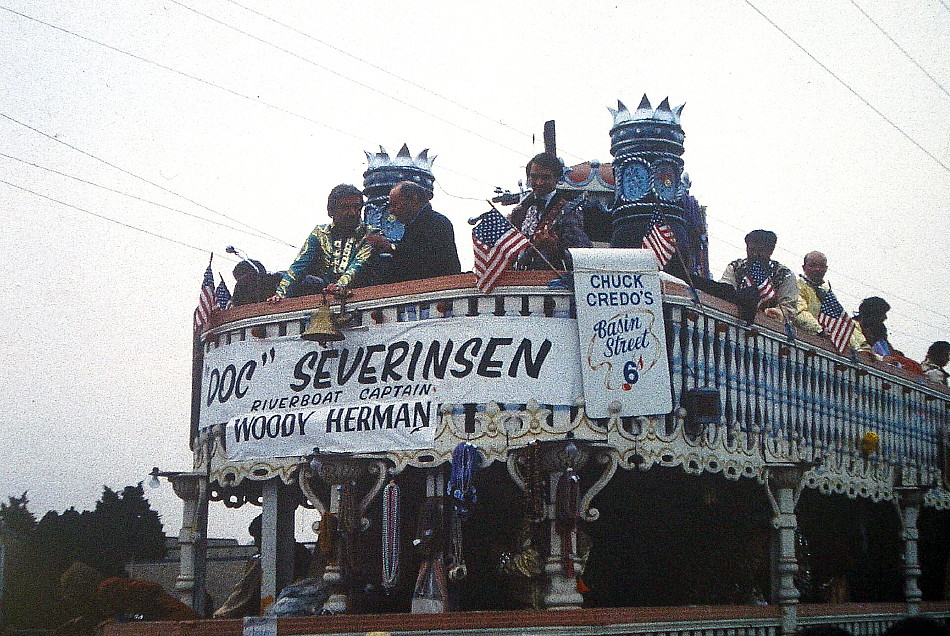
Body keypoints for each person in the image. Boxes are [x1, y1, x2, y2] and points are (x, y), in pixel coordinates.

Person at [267, 184, 373, 303]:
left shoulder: (370, 234)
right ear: (330, 211)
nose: (352, 213)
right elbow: (299, 266)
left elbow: (358, 265)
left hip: (362, 298)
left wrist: (340, 285)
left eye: (357, 207)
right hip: (326, 296)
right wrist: (280, 294)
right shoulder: (320, 233)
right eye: (345, 208)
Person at [508, 152, 592, 270]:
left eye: (545, 177)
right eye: (534, 176)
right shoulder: (520, 211)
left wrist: (554, 248)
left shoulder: (568, 211)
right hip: (521, 280)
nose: (539, 182)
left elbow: (583, 257)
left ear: (557, 178)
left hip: (551, 282)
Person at [365, 181, 461, 283]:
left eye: (395, 204)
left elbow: (426, 262)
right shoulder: (415, 225)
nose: (391, 210)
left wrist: (391, 248)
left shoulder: (436, 223)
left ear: (414, 199)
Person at [795, 251, 872, 354]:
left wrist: (863, 349)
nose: (817, 269)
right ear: (804, 267)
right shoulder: (797, 286)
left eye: (821, 266)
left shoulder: (827, 292)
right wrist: (820, 330)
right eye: (812, 265)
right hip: (806, 344)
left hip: (828, 347)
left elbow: (843, 322)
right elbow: (800, 312)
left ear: (826, 269)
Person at [719, 229, 798, 321]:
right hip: (733, 319)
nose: (755, 254)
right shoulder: (735, 267)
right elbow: (724, 291)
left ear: (771, 250)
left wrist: (776, 313)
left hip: (771, 329)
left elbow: (788, 308)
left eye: (760, 250)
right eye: (751, 249)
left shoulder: (785, 275)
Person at [855, 297, 924, 374]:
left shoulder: (880, 330)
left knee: (914, 366)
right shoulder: (854, 327)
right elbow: (861, 351)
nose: (885, 317)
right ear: (873, 313)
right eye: (882, 313)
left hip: (886, 367)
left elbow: (891, 353)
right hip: (864, 368)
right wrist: (882, 359)